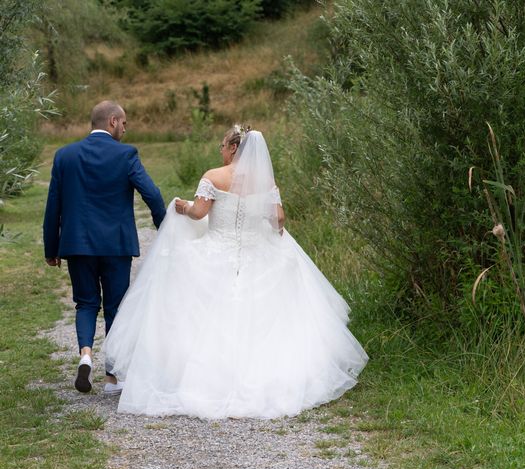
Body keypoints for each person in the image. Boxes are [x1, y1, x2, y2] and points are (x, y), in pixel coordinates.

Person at [103, 126, 368, 419]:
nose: (220, 150)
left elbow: (200, 213)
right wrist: (271, 228)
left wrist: (183, 207)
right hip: (256, 252)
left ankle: (202, 376)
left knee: (202, 309)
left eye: (222, 145)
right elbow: (278, 218)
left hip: (218, 249)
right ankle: (264, 376)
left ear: (232, 148)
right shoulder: (264, 181)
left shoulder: (214, 176)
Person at [43, 100, 166, 395]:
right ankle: (112, 376)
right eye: (123, 123)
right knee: (115, 307)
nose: (125, 128)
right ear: (112, 121)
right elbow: (152, 193)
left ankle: (85, 354)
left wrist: (51, 247)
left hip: (77, 244)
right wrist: (164, 227)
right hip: (115, 244)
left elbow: (53, 207)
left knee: (85, 303)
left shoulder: (65, 156)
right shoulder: (126, 155)